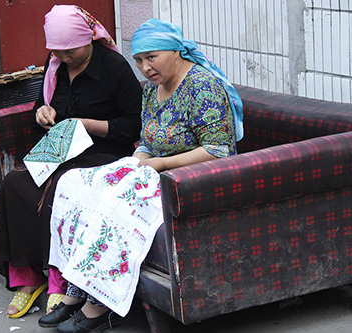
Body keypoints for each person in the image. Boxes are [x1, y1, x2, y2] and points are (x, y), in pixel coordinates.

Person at [40, 18, 244, 333]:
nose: (145, 67)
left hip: (191, 180)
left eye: (152, 56)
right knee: (78, 186)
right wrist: (136, 162)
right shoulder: (152, 90)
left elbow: (219, 150)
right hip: (154, 170)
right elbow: (147, 142)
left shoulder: (201, 86)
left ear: (176, 50)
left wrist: (159, 166)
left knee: (117, 203)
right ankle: (75, 290)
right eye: (139, 60)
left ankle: (99, 306)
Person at [0, 4, 142, 320]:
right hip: (61, 149)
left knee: (61, 186)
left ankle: (59, 280)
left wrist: (88, 124)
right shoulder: (55, 63)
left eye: (71, 50)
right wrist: (42, 114)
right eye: (58, 51)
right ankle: (28, 279)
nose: (65, 57)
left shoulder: (114, 67)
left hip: (106, 153)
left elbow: (133, 125)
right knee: (16, 183)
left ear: (88, 38)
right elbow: (40, 108)